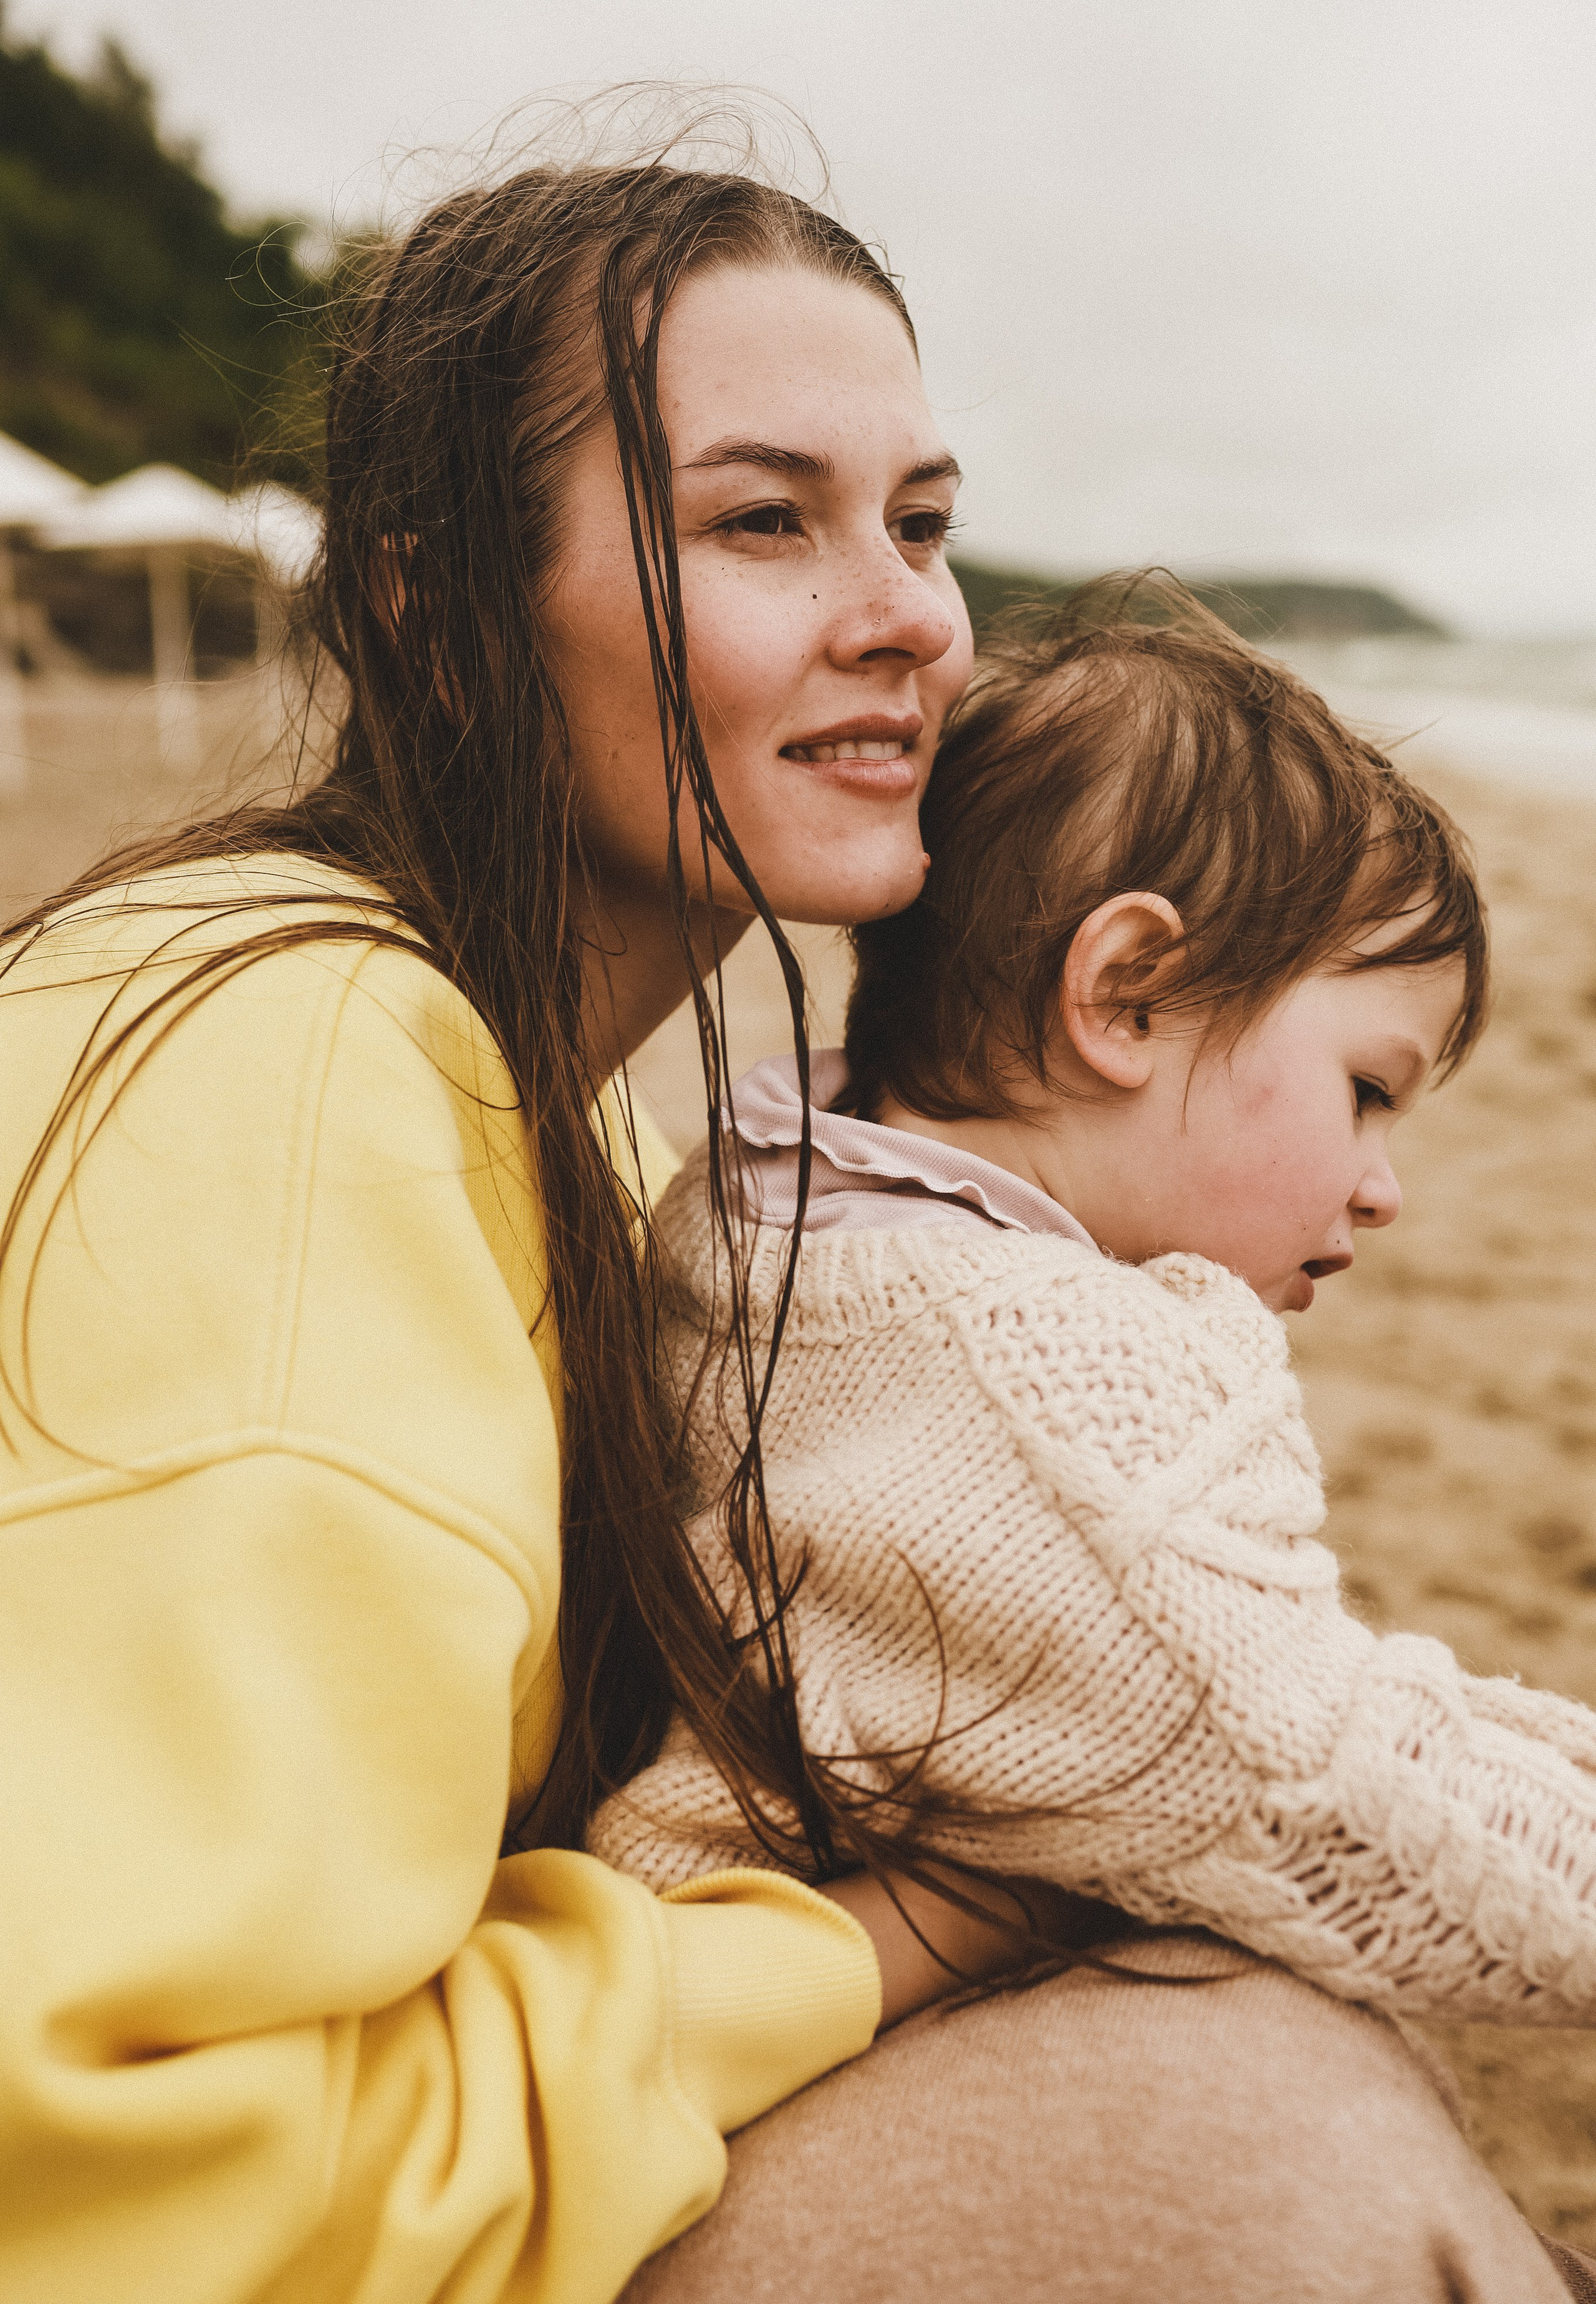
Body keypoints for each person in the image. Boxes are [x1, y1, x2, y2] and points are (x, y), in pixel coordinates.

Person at [0, 139, 1582, 2304]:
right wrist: (894, 1938)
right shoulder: (288, 1095)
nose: (913, 615)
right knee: (1255, 2136)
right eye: (767, 519)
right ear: (436, 609)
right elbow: (129, 2172)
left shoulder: (624, 1152)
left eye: (920, 524)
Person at [590, 589, 1596, 2020]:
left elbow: (1301, 1688)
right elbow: (1343, 1795)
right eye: (1365, 1092)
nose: (1381, 1190)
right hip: (778, 2059)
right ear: (1124, 995)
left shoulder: (764, 1198)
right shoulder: (1033, 1396)